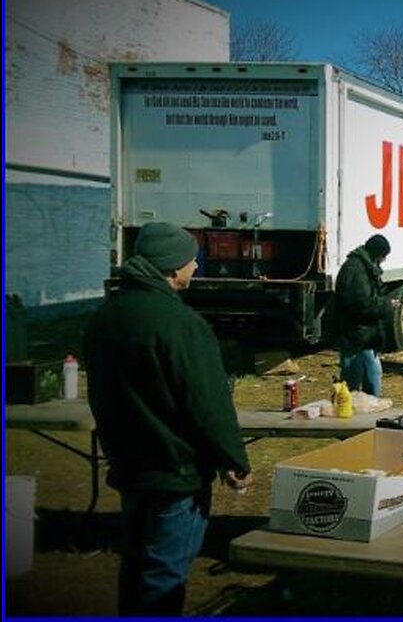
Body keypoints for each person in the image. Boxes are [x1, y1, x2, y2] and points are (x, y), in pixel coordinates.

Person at [83, 222, 252, 615]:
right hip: (175, 473)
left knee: (137, 565)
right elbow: (207, 404)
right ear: (174, 267)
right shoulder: (181, 325)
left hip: (129, 466)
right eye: (193, 260)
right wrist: (235, 459)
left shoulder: (104, 317)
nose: (196, 266)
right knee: (163, 577)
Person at [332, 234, 396, 396]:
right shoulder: (356, 269)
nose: (384, 260)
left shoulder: (362, 267)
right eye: (383, 256)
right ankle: (348, 412)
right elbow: (362, 304)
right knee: (352, 380)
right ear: (377, 254)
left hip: (366, 335)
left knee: (373, 376)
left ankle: (370, 407)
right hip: (354, 335)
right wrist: (387, 304)